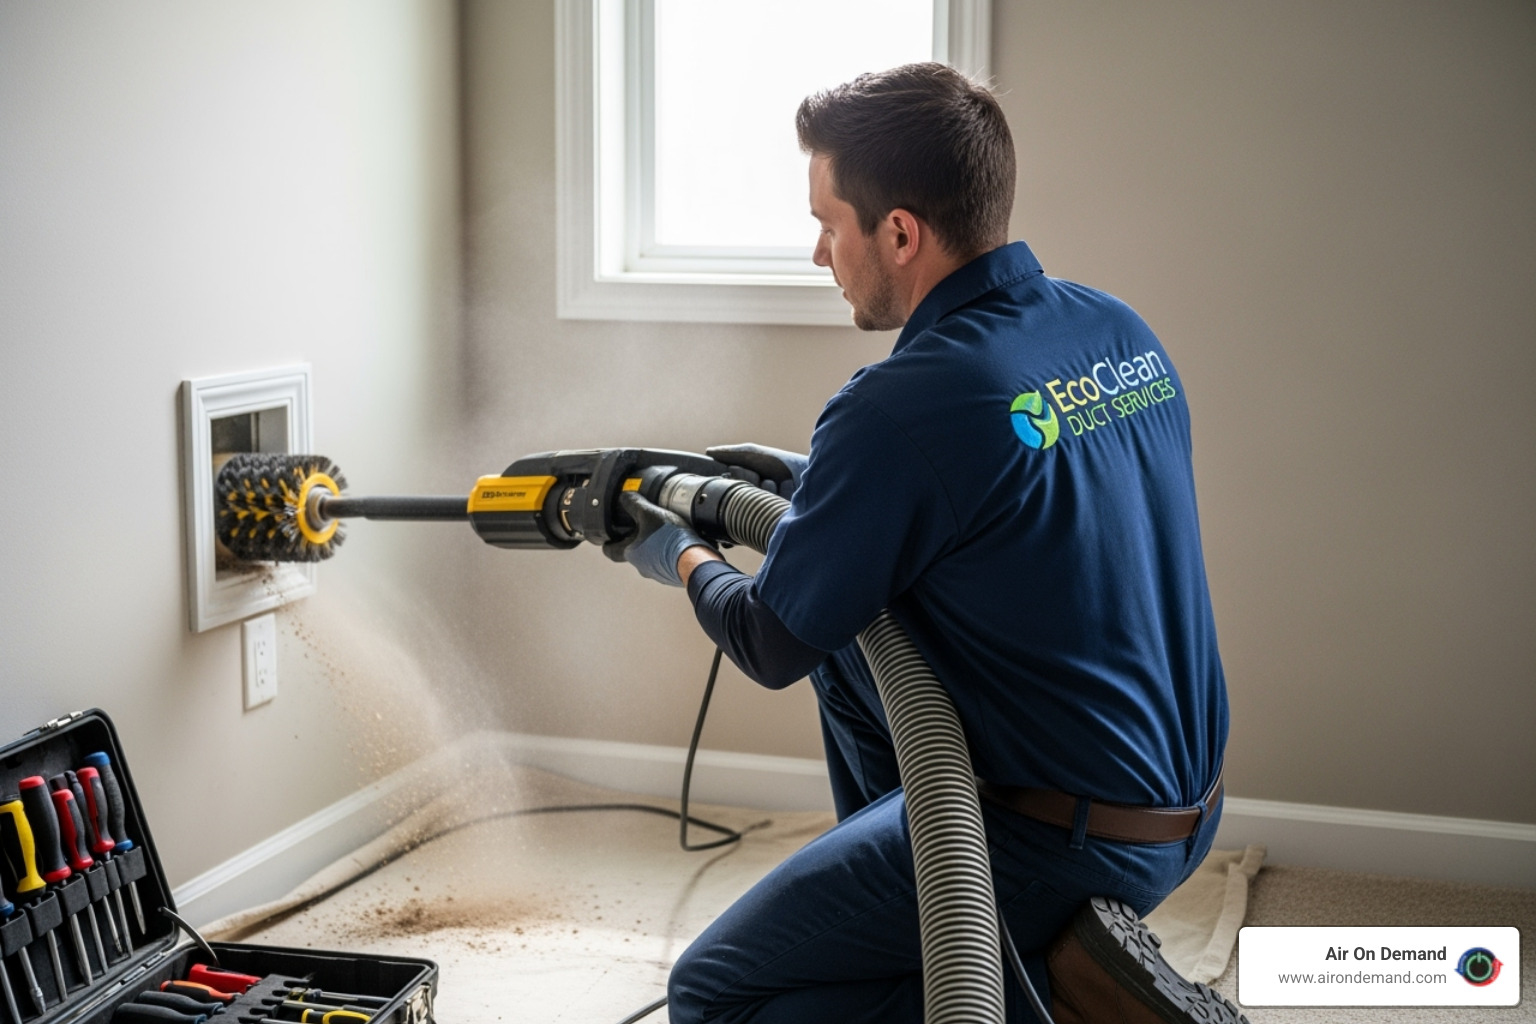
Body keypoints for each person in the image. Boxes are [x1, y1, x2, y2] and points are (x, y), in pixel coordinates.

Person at [606, 63, 1240, 1024]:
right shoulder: (1115, 329)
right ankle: (981, 938)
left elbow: (773, 642)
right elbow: (1010, 504)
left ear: (900, 231)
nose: (821, 253)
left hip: (1066, 841)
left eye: (829, 224)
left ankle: (1025, 990)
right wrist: (811, 483)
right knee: (853, 652)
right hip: (1187, 806)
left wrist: (672, 554)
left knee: (717, 991)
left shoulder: (899, 405)